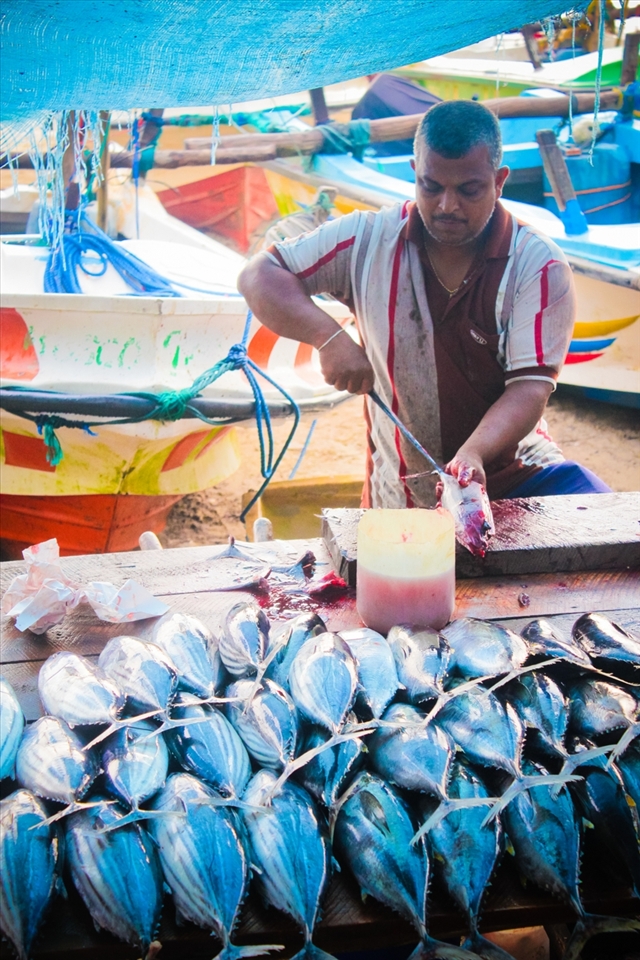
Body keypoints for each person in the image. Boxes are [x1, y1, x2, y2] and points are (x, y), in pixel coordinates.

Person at [238, 99, 610, 508]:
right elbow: (259, 275)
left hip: (517, 485)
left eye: (469, 190)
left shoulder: (539, 264)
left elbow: (529, 388)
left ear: (499, 180)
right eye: (431, 187)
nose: (447, 206)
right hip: (400, 498)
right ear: (414, 174)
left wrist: (472, 456)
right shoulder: (367, 239)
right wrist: (327, 338)